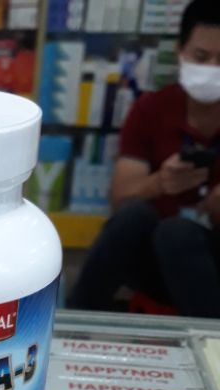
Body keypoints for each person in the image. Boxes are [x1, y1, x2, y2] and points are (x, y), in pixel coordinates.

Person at [71, 0, 220, 318]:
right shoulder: (153, 109)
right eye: (201, 57)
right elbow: (120, 198)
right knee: (137, 218)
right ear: (180, 52)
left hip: (212, 262)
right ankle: (73, 319)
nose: (212, 69)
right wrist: (159, 183)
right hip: (157, 259)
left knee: (178, 233)